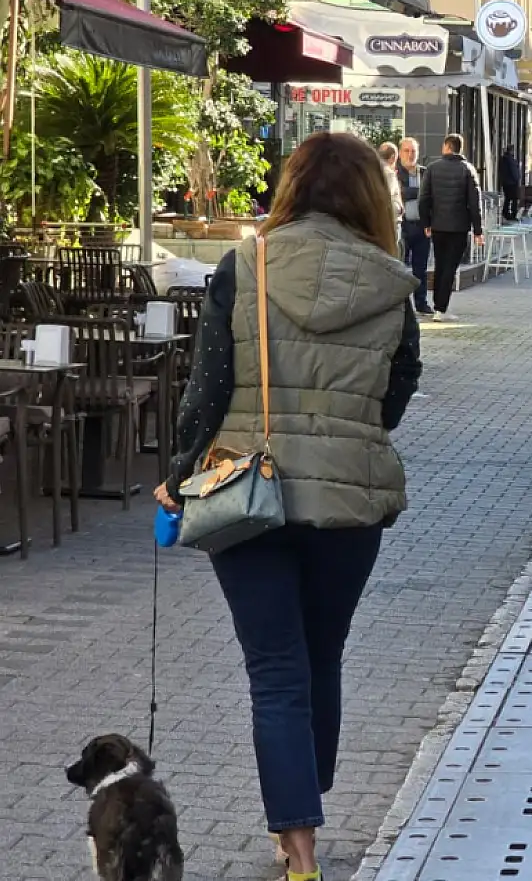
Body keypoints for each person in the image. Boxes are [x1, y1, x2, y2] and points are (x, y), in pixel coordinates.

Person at [154, 132, 422, 881]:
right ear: (372, 195)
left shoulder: (247, 265)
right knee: (321, 655)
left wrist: (178, 474)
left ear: (291, 186)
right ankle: (306, 794)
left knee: (275, 668)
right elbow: (392, 400)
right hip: (349, 500)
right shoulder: (394, 283)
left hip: (247, 494)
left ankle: (297, 848)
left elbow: (206, 387)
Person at [417, 133, 484, 323]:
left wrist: (426, 223)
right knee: (450, 267)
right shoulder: (468, 170)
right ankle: (441, 308)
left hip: (438, 226)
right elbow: (474, 202)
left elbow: (424, 199)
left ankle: (439, 306)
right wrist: (478, 231)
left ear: (446, 147)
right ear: (459, 148)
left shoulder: (432, 168)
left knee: (440, 265)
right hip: (459, 227)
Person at [394, 138, 432, 314]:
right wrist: (421, 193)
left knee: (420, 269)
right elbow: (402, 193)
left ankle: (421, 303)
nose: (410, 155)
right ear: (400, 153)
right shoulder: (395, 173)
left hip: (422, 226)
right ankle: (400, 304)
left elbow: (432, 196)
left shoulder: (425, 173)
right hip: (403, 226)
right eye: (407, 151)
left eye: (413, 151)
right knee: (399, 267)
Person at [377, 142, 403, 227]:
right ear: (393, 157)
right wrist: (400, 209)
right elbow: (387, 196)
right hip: (390, 221)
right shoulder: (389, 173)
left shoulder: (372, 171)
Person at [498, 145, 523, 223]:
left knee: (507, 199)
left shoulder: (503, 160)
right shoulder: (511, 160)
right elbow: (514, 172)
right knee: (514, 199)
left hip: (505, 182)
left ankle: (505, 213)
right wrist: (517, 178)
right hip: (512, 183)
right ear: (512, 151)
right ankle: (512, 215)